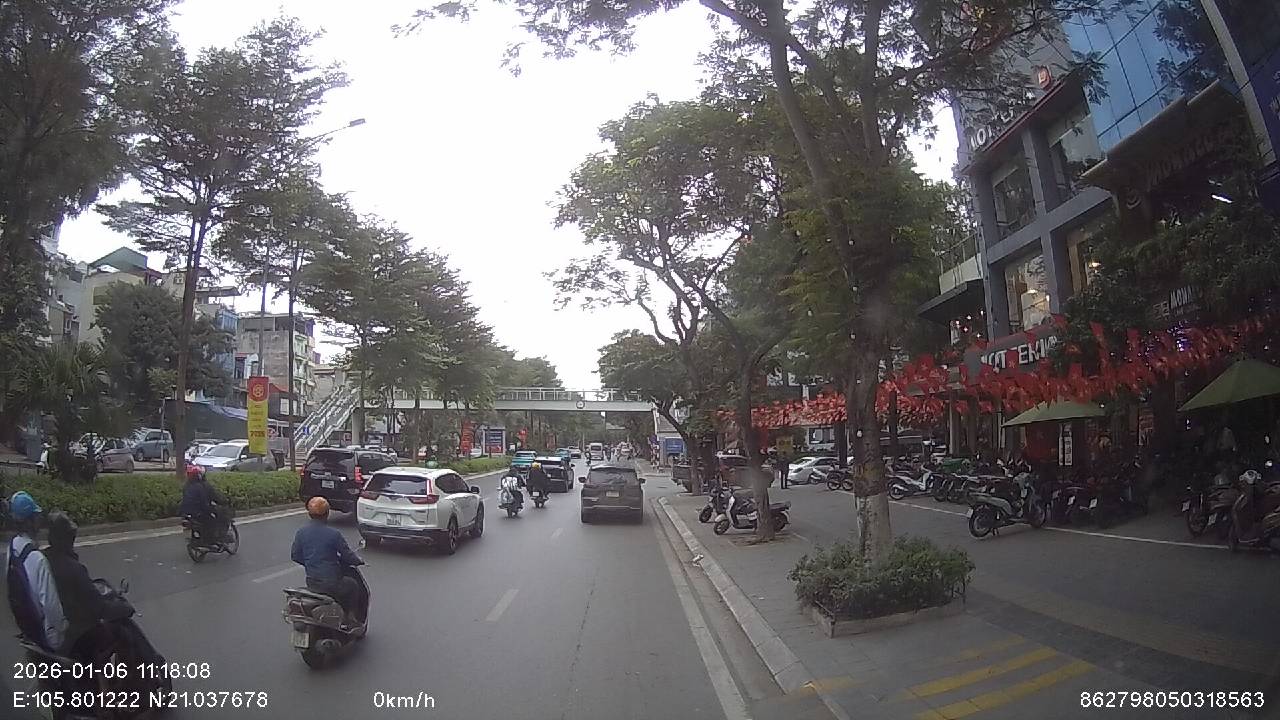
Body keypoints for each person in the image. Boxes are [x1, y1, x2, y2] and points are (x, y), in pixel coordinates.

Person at [43, 511, 163, 664]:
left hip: (65, 625)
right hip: (79, 632)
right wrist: (125, 608)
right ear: (68, 538)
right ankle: (152, 663)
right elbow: (100, 609)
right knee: (125, 627)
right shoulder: (73, 568)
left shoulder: (46, 559)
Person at [291, 497, 366, 628]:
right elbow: (348, 556)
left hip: (312, 582)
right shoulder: (334, 534)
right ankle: (350, 618)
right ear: (327, 513)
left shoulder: (301, 532)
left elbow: (295, 556)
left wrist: (310, 563)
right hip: (332, 583)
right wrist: (359, 561)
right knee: (353, 585)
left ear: (309, 514)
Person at [6, 491, 65, 653]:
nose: (39, 520)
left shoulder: (13, 547)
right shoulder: (38, 559)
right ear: (30, 521)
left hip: (27, 627)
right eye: (36, 517)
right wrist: (64, 629)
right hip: (47, 635)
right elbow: (52, 607)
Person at [179, 465, 231, 541]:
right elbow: (209, 500)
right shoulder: (202, 486)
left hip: (186, 513)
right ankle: (214, 537)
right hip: (199, 512)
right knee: (217, 517)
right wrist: (215, 507)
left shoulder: (186, 486)